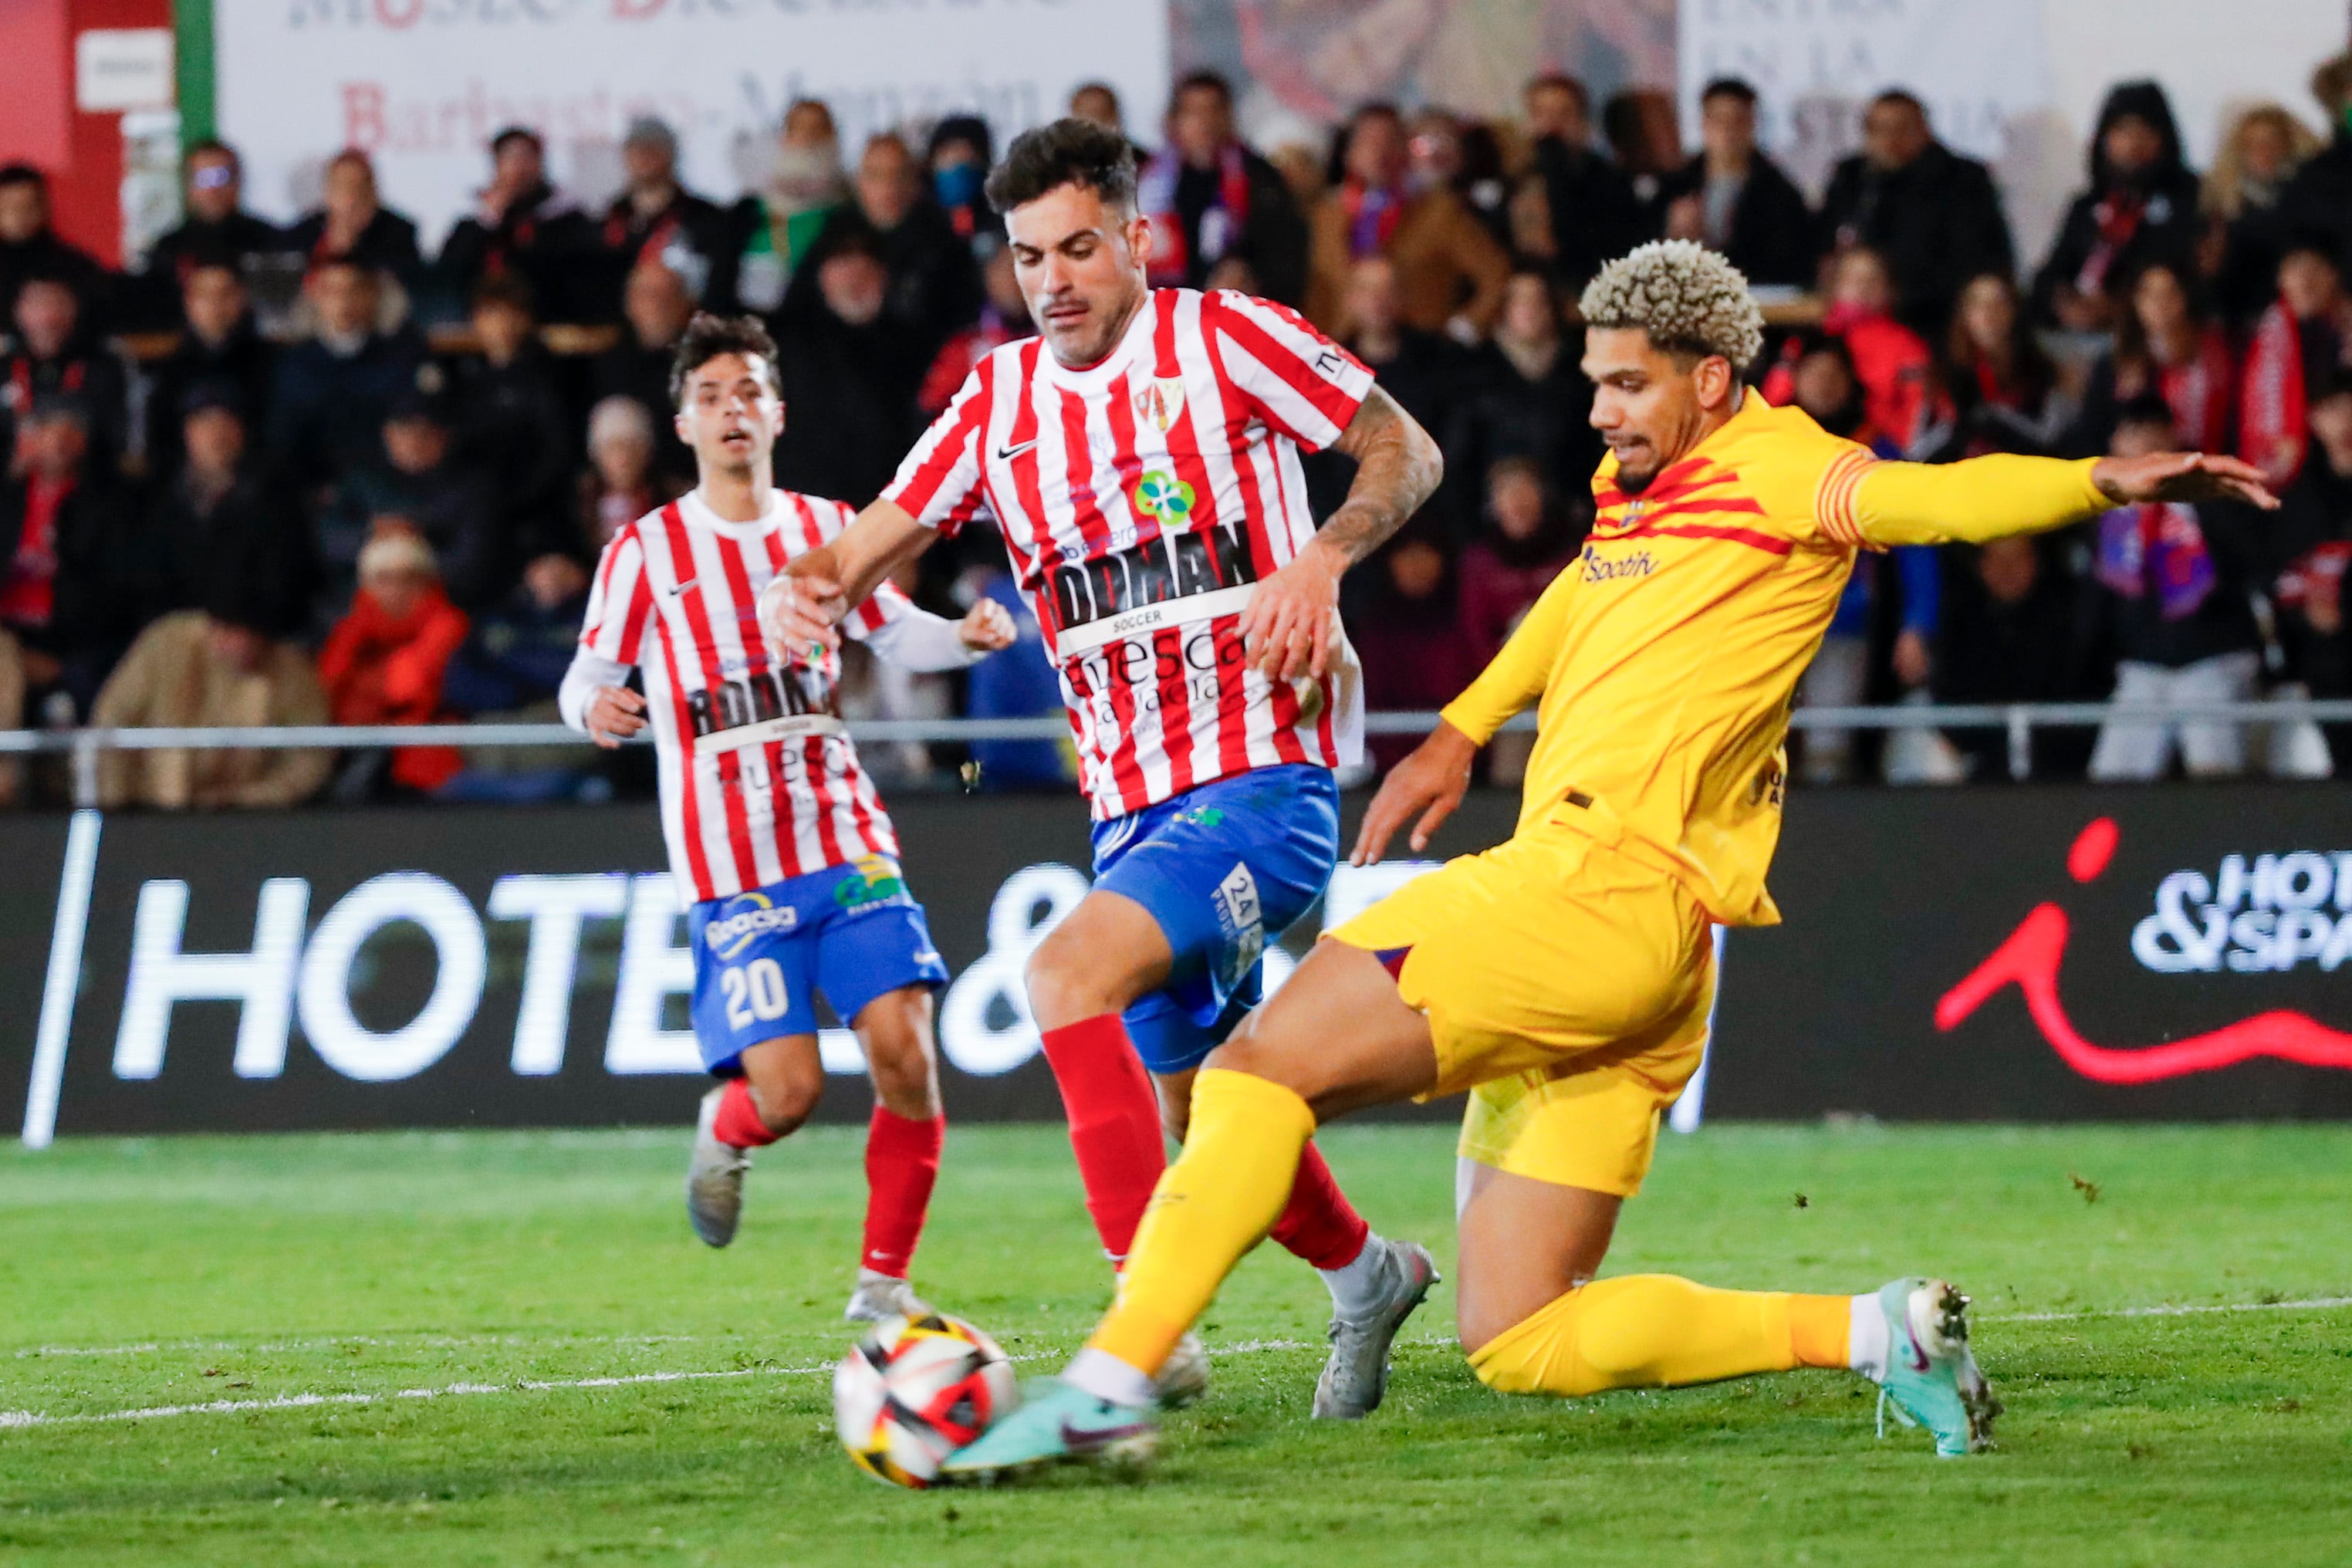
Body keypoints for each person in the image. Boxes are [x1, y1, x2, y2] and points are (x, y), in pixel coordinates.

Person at [942, 238, 2279, 1477]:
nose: (1599, 412)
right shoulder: (1636, 490)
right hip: (1649, 963)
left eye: (1626, 386)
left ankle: (1108, 1383)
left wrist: (2097, 479)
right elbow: (1575, 597)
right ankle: (1883, 1334)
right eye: (1591, 384)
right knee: (1515, 1332)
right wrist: (1460, 727)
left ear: (1710, 379)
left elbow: (1931, 501)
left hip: (1588, 892)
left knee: (1248, 1072)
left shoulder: (1781, 468)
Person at [759, 119, 1445, 1418]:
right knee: (1213, 1110)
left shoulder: (1224, 339)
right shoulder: (998, 402)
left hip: (1264, 779)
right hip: (1129, 809)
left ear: (1137, 238)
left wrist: (1317, 560)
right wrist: (814, 588)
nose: (1054, 278)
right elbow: (865, 545)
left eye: (1080, 246)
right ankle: (1369, 1277)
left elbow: (1405, 449)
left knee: (1061, 973)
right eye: (1029, 257)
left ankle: (1140, 1325)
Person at [556, 311, 1016, 1321]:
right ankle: (727, 1130)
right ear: (683, 423)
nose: (733, 411)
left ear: (778, 413)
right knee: (789, 1095)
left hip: (843, 835)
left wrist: (969, 636)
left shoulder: (826, 530)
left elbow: (901, 640)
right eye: (712, 396)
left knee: (906, 1048)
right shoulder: (647, 552)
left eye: (750, 392)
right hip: (735, 868)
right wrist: (594, 706)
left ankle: (883, 1288)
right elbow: (584, 677)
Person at [2083, 397, 2268, 782]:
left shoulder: (2212, 496)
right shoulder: (2107, 516)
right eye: (2133, 433)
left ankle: (2223, 844)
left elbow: (2255, 568)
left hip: (2212, 660)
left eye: (2155, 431)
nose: (2145, 444)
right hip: (2143, 669)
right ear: (2115, 444)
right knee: (2112, 780)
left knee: (2214, 777)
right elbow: (2095, 607)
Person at [90, 589, 333, 811]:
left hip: (242, 825)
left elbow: (309, 761)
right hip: (150, 811)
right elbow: (112, 720)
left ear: (261, 636)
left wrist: (245, 801)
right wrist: (117, 809)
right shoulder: (166, 646)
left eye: (237, 631)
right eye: (218, 627)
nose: (224, 641)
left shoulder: (291, 673)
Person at [0, 394, 161, 718]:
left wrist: (60, 665)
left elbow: (118, 595)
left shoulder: (112, 506)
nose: (60, 439)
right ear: (28, 439)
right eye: (47, 428)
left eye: (72, 429)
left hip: (75, 646)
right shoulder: (7, 501)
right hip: (8, 639)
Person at [1305, 104, 1509, 343]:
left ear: (1405, 151)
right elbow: (1316, 291)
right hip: (1343, 356)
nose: (1378, 152)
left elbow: (1496, 275)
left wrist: (1464, 328)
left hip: (1423, 358)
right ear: (1349, 154)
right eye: (1368, 142)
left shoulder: (1440, 211)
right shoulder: (1325, 216)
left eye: (1389, 142)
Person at [1816, 91, 2013, 336]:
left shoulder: (1962, 180)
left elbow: (1974, 262)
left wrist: (1898, 295)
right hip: (1853, 319)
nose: (1891, 139)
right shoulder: (1852, 177)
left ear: (1924, 130)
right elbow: (1824, 246)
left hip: (1934, 320)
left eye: (1902, 128)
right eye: (1879, 129)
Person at [788, 133, 981, 364]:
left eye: (898, 175)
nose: (888, 187)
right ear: (859, 182)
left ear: (915, 182)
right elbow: (797, 313)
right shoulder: (833, 238)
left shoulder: (944, 246)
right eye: (875, 175)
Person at [149, 383, 317, 639]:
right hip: (180, 637)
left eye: (227, 423)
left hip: (258, 638)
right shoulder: (161, 502)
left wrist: (251, 627)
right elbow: (149, 588)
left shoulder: (275, 498)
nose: (218, 435)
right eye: (206, 424)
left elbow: (289, 583)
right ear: (187, 433)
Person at [2032, 82, 2202, 333]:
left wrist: (2120, 308)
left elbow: (2188, 279)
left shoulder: (2190, 200)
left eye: (2144, 131)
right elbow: (2051, 275)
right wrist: (2064, 304)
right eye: (2122, 131)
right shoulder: (2087, 205)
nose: (2133, 143)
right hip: (2078, 341)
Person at [770, 231, 925, 505]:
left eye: (867, 273)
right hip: (802, 516)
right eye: (844, 270)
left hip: (890, 517)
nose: (855, 281)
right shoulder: (784, 344)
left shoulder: (914, 347)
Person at [1445, 269, 1597, 539]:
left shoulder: (1580, 371)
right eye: (1520, 301)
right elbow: (1460, 460)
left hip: (1569, 525)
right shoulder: (1476, 373)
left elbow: (1592, 448)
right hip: (1494, 531)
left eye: (1538, 301)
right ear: (1504, 309)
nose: (1530, 310)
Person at [319, 528, 471, 795]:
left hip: (426, 749)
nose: (396, 590)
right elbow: (327, 688)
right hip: (356, 746)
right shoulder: (353, 628)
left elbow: (407, 688)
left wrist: (362, 687)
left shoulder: (447, 624)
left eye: (408, 579)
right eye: (384, 579)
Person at [1140, 71, 1309, 307]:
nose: (1205, 122)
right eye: (1194, 112)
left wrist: (1247, 276)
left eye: (1214, 110)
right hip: (1168, 314)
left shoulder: (1261, 179)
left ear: (1229, 115)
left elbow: (1284, 256)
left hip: (1237, 313)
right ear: (1176, 121)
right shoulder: (1150, 184)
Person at [264, 258, 427, 497]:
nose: (343, 301)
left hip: (388, 492)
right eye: (332, 292)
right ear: (316, 297)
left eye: (354, 290)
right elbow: (282, 440)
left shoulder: (400, 357)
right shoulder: (294, 364)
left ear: (371, 295)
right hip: (311, 493)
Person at [327, 391, 502, 612]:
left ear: (445, 437)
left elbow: (474, 562)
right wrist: (372, 533)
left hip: (440, 604)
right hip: (363, 601)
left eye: (426, 434)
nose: (415, 442)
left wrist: (412, 555)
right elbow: (327, 540)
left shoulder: (472, 486)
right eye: (405, 432)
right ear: (388, 434)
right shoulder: (363, 479)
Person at [1931, 536, 2090, 779]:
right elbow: (1947, 696)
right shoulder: (1961, 619)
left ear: (2036, 562)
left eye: (2017, 560)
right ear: (1980, 565)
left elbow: (2075, 698)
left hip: (2057, 767)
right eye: (1997, 560)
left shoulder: (2066, 619)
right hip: (1976, 759)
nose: (2007, 571)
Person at [444, 275, 573, 554]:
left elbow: (557, 451)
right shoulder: (466, 376)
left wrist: (511, 500)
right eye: (491, 313)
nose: (502, 324)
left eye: (511, 313)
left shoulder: (548, 375)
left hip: (533, 510)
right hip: (475, 505)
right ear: (475, 320)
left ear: (527, 319)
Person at [1659, 79, 1813, 290]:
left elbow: (1788, 263)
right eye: (1718, 120)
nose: (1727, 131)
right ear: (1704, 123)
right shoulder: (1675, 185)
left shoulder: (1779, 193)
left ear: (1753, 124)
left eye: (1737, 121)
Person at [437, 127, 600, 324]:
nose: (518, 168)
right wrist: (490, 223)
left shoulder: (567, 219)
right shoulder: (475, 225)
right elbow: (449, 272)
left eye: (526, 157)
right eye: (509, 159)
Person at [2073, 261, 2235, 457]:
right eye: (2149, 294)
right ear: (2135, 300)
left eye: (2170, 293)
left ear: (2186, 297)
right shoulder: (2113, 364)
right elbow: (2091, 433)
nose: (2160, 304)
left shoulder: (2215, 358)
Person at [141, 262, 278, 480]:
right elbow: (160, 445)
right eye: (205, 295)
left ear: (243, 298)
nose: (216, 304)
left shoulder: (272, 364)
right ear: (189, 302)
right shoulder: (169, 372)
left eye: (226, 294)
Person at [1919, 272, 2070, 462]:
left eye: (1999, 303)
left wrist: (1995, 421)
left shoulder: (2039, 371)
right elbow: (1920, 450)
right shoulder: (1945, 373)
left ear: (2014, 311)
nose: (1988, 313)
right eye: (1977, 304)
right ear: (1964, 314)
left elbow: (2053, 443)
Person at [2239, 239, 2352, 488]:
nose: (2304, 283)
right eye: (2295, 271)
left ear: (2334, 275)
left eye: (2314, 271)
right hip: (2306, 481)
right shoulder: (2269, 333)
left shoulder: (2342, 328)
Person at [1515, 73, 1639, 295]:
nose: (1552, 124)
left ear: (1583, 123)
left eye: (1564, 113)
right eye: (1541, 113)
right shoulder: (1513, 179)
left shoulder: (1611, 183)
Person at [598, 117, 736, 315]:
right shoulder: (611, 218)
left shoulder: (705, 218)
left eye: (654, 147)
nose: (645, 156)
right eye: (636, 148)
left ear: (671, 154)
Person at [723, 100, 850, 316]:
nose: (806, 138)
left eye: (817, 129)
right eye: (797, 128)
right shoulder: (748, 212)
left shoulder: (847, 215)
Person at [2202, 103, 2321, 329]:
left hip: (2301, 319)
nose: (2263, 152)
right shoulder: (2222, 207)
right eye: (2253, 145)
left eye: (2271, 143)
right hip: (2244, 321)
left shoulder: (2309, 198)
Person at [1, 270, 132, 470]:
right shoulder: (4, 366)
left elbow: (125, 447)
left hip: (90, 490)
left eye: (59, 303)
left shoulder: (106, 365)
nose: (48, 317)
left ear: (76, 307)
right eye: (37, 304)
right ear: (17, 310)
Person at [141, 140, 285, 322]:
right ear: (189, 186)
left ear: (238, 181)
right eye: (203, 178)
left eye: (221, 177)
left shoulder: (270, 240)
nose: (213, 189)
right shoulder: (167, 250)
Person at [591, 261, 697, 489]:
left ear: (684, 306)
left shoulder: (703, 367)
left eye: (665, 294)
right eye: (646, 294)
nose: (655, 304)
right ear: (629, 304)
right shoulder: (609, 364)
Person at [283, 150, 423, 285]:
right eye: (343, 188)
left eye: (360, 190)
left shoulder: (399, 233)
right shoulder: (303, 233)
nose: (351, 199)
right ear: (327, 194)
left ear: (374, 193)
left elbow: (403, 286)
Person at [0, 164, 110, 327]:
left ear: (44, 207)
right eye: (9, 207)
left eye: (27, 206)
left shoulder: (74, 266)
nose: (17, 216)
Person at [576, 394, 684, 555]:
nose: (623, 459)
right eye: (612, 448)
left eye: (631, 447)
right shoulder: (580, 503)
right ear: (596, 454)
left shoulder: (674, 499)